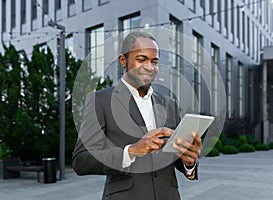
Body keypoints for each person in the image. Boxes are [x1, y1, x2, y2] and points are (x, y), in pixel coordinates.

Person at [72, 31, 202, 200]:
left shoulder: (169, 104)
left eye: (154, 62)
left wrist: (189, 163)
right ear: (123, 61)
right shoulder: (100, 100)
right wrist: (131, 151)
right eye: (141, 59)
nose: (149, 67)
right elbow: (81, 161)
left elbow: (174, 156)